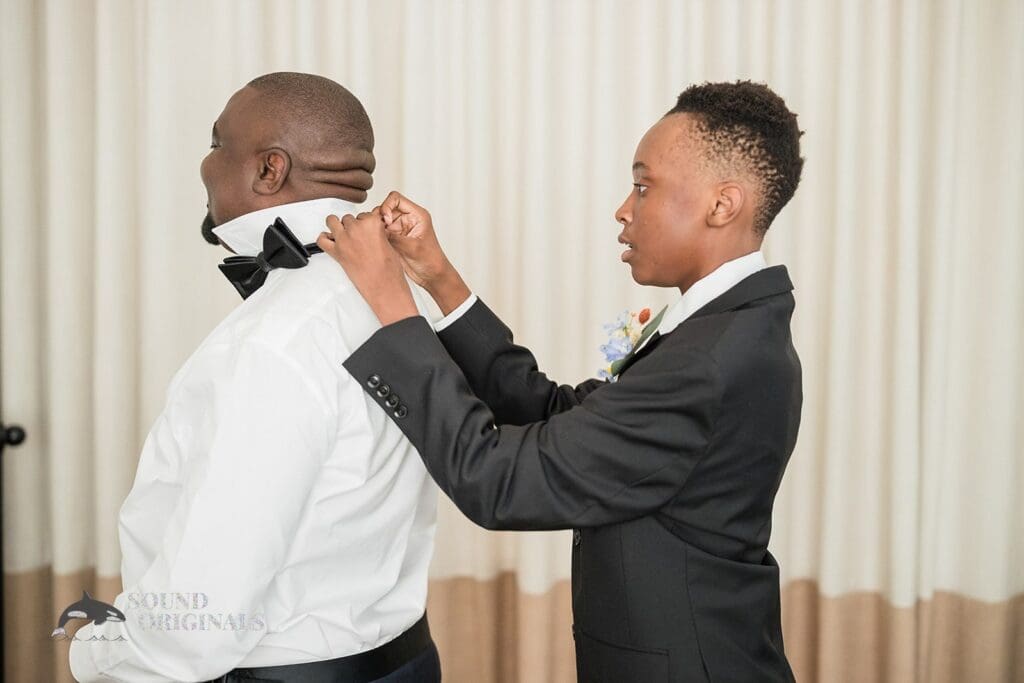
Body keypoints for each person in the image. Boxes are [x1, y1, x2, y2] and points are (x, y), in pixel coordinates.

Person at [319, 80, 804, 682]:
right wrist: (434, 276)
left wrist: (392, 306)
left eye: (644, 185)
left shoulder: (712, 359)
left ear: (721, 205)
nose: (624, 209)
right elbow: (558, 415)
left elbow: (497, 479)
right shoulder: (726, 327)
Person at [69, 72, 441, 683]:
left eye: (216, 144)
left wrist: (94, 654)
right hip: (407, 662)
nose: (205, 165)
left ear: (269, 171)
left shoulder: (274, 343)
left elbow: (201, 622)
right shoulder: (402, 300)